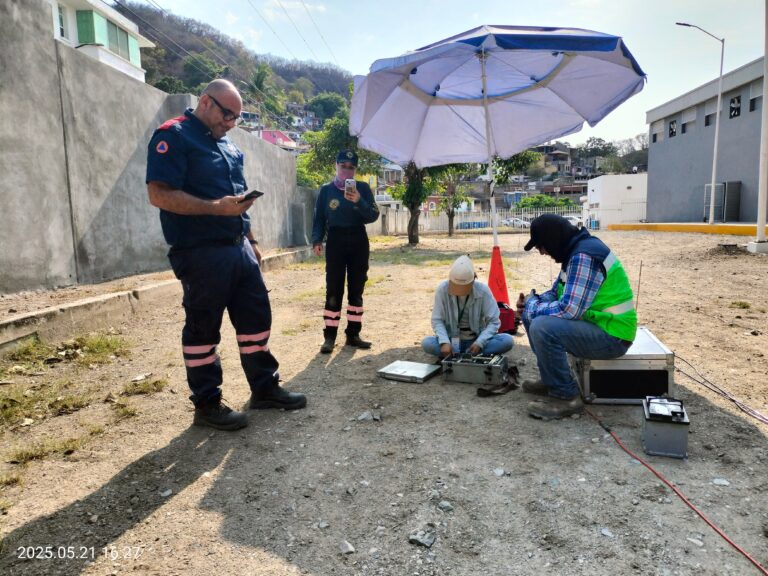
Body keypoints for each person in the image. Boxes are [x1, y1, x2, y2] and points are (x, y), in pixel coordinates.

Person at [145, 79, 306, 431]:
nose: (231, 122)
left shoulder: (229, 146)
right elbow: (159, 194)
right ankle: (207, 404)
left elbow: (237, 199)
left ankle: (264, 388)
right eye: (227, 114)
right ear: (205, 101)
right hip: (199, 252)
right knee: (204, 327)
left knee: (256, 319)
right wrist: (216, 209)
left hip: (238, 249)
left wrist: (251, 238)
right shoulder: (173, 135)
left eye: (237, 117)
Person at [521, 214, 637, 420]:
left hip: (612, 336)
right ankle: (552, 380)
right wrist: (533, 302)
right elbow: (556, 292)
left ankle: (566, 397)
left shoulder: (583, 257)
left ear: (552, 239)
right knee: (533, 314)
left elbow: (569, 310)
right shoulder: (573, 253)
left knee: (542, 326)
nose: (541, 252)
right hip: (595, 326)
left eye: (541, 246)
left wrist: (533, 307)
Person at [312, 149, 380, 354]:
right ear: (336, 166)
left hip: (358, 239)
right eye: (343, 166)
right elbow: (319, 219)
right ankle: (330, 337)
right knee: (333, 289)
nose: (347, 171)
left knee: (356, 289)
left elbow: (373, 216)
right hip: (335, 240)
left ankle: (353, 334)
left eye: (351, 167)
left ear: (355, 170)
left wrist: (358, 200)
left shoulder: (363, 188)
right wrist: (317, 239)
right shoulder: (326, 190)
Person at [421, 255, 514, 358]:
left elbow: (494, 322)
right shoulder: (442, 289)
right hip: (451, 340)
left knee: (507, 341)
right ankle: (465, 355)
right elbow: (437, 320)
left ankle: (461, 355)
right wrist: (444, 342)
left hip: (476, 340)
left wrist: (480, 343)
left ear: (473, 280)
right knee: (427, 343)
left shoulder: (483, 291)